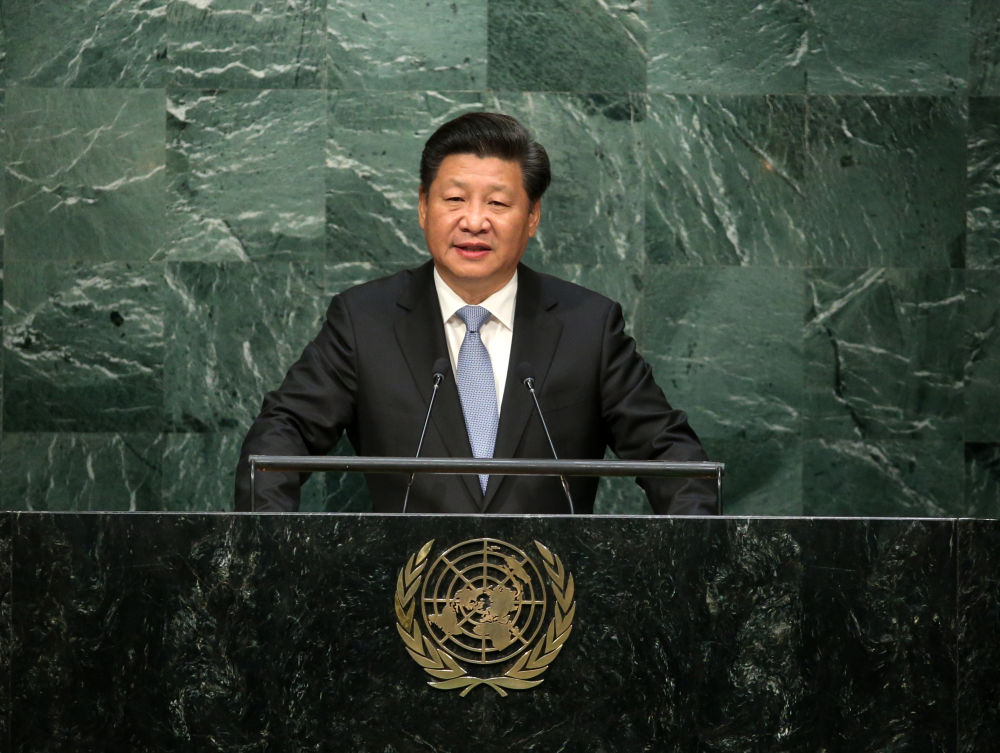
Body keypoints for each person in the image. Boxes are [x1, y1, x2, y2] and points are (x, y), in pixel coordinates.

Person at [235, 112, 716, 514]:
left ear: (532, 217)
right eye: (455, 199)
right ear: (423, 207)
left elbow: (669, 453)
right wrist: (270, 548)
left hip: (550, 592)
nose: (474, 221)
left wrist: (696, 557)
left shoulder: (588, 326)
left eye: (498, 203)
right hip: (406, 590)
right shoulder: (364, 321)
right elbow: (282, 434)